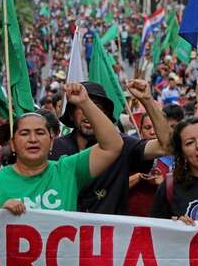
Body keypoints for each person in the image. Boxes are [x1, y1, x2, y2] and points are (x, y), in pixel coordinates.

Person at [0, 83, 124, 214]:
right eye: (25, 133)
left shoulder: (68, 171)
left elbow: (113, 146)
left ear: (52, 142)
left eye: (40, 133)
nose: (33, 139)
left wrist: (85, 103)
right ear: (12, 144)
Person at [50, 80, 170, 214]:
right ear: (71, 115)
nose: (88, 113)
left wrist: (148, 100)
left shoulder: (124, 145)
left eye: (97, 109)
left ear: (106, 117)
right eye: (81, 106)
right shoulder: (53, 148)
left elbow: (165, 146)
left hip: (110, 234)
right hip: (65, 233)